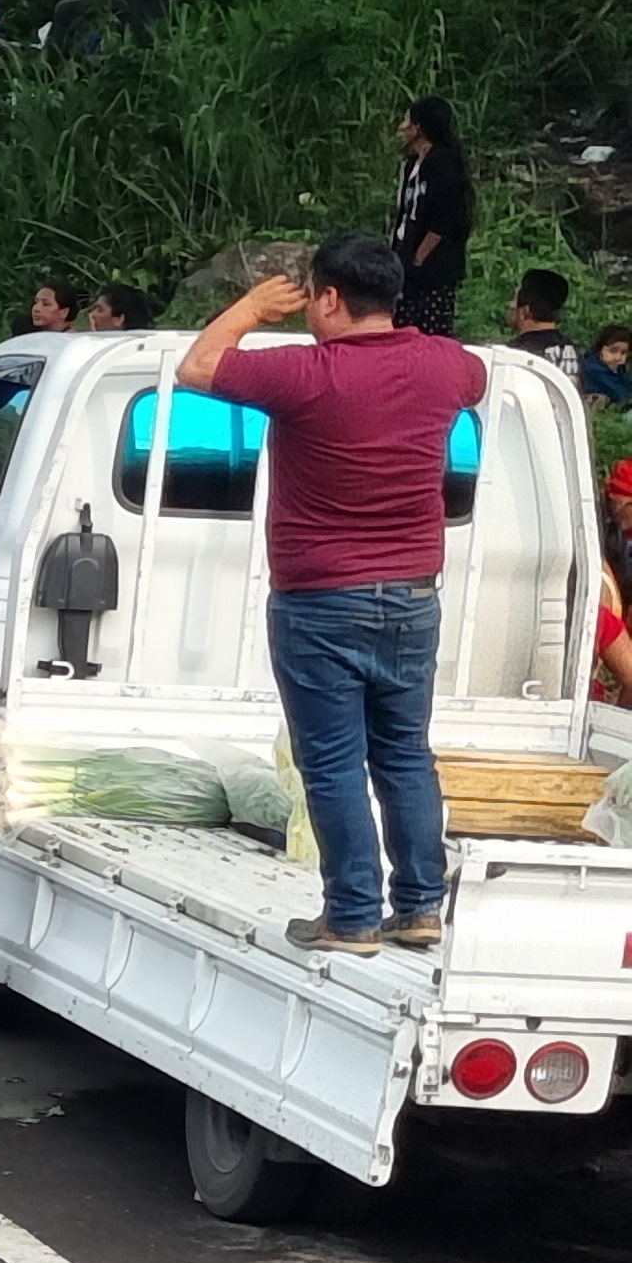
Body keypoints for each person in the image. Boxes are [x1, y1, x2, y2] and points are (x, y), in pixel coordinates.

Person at [179, 233, 490, 951]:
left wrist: (251, 308)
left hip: (320, 597)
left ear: (327, 297)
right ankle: (419, 906)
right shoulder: (446, 366)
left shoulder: (305, 373)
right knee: (405, 752)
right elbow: (474, 377)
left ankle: (351, 915)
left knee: (332, 761)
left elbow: (198, 366)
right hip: (413, 595)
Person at [392, 98, 474, 337]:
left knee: (427, 334)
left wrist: (419, 258)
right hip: (406, 261)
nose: (402, 127)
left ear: (419, 128)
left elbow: (445, 219)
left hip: (431, 271)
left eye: (407, 121)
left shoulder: (442, 164)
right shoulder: (413, 165)